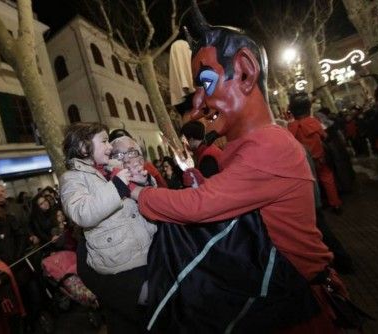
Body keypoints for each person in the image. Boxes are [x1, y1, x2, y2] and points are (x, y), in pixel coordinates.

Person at [130, 4, 352, 333]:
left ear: (245, 73)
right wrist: (195, 176)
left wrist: (139, 193)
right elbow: (236, 201)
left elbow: (200, 206)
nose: (197, 104)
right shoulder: (247, 146)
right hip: (282, 298)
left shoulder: (268, 147)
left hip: (299, 309)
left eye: (205, 82)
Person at [59, 122, 157, 333]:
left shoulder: (114, 168)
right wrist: (117, 186)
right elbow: (82, 212)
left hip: (148, 252)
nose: (110, 147)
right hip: (120, 267)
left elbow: (145, 201)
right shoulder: (72, 178)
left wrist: (145, 182)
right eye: (104, 141)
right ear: (84, 148)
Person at [287, 93, 343, 213]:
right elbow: (325, 136)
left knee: (311, 183)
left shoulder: (291, 126)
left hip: (304, 161)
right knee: (327, 178)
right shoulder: (313, 122)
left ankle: (316, 206)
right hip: (320, 157)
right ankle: (335, 204)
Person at [180, 120, 223, 186]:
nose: (184, 145)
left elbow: (209, 187)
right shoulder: (208, 148)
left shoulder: (207, 158)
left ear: (191, 139)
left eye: (184, 141)